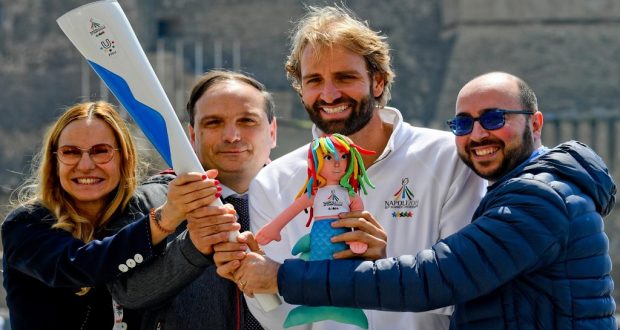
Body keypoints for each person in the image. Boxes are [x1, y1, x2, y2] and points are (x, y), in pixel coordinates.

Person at [231, 72, 618, 329]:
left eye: (495, 118)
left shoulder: (538, 199)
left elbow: (436, 278)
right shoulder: (527, 190)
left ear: (535, 123)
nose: (478, 134)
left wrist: (282, 276)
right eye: (463, 124)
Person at [215, 5, 486, 330]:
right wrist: (252, 277)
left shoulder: (448, 159)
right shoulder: (273, 182)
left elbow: (469, 288)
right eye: (314, 80)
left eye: (345, 77)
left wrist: (384, 269)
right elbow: (282, 320)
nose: (329, 94)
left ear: (377, 81)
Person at [1, 101, 220, 329]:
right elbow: (79, 265)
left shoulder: (137, 215)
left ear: (124, 159)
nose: (85, 165)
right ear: (55, 162)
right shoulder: (25, 224)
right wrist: (161, 222)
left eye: (101, 151)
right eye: (71, 152)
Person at [108, 70, 277, 329]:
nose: (232, 136)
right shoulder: (148, 202)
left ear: (272, 132)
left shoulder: (307, 200)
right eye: (213, 123)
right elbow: (127, 292)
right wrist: (191, 250)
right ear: (193, 135)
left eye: (247, 120)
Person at [255, 134, 374, 328]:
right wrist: (273, 228)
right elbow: (291, 211)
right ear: (316, 161)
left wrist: (357, 239)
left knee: (341, 273)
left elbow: (360, 220)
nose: (337, 163)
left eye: (343, 157)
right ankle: (315, 304)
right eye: (329, 157)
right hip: (316, 239)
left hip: (342, 242)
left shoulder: (351, 195)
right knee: (311, 268)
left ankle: (340, 304)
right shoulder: (315, 194)